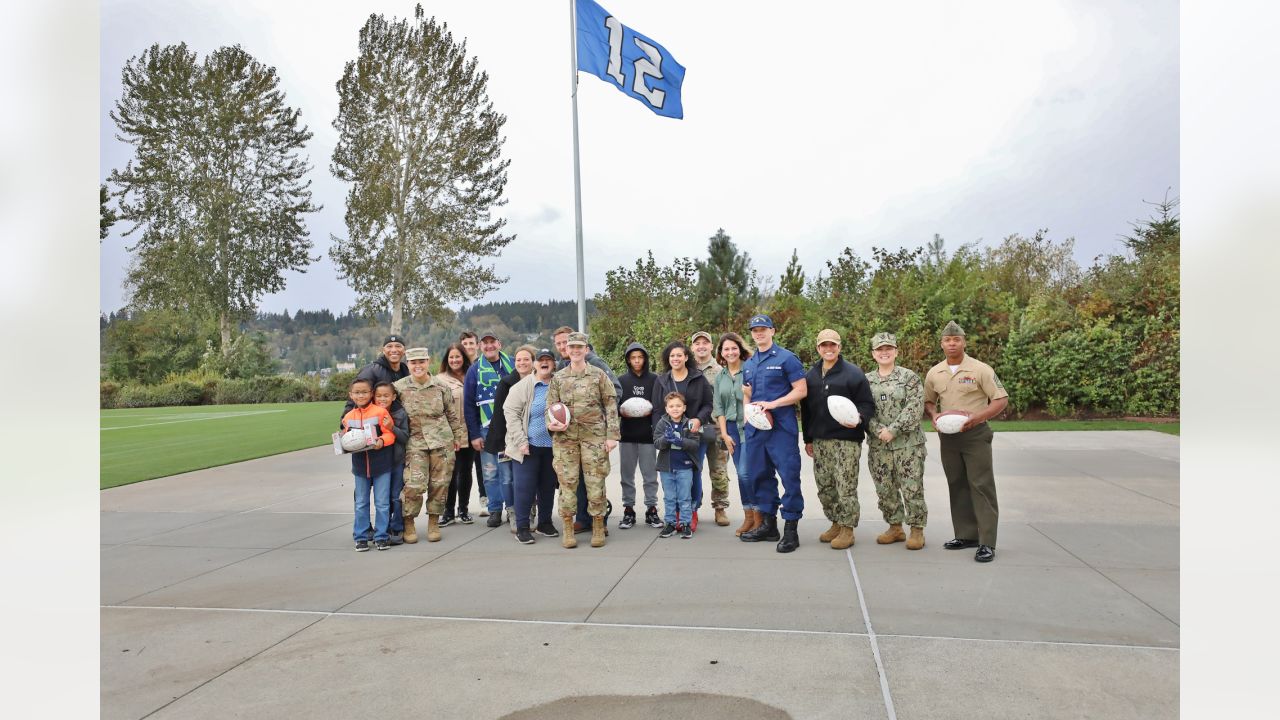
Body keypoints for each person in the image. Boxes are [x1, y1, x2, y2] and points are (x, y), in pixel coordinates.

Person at [923, 321, 1010, 563]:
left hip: (975, 435)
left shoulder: (980, 369)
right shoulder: (935, 372)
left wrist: (976, 418)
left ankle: (987, 542)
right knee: (957, 484)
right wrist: (934, 415)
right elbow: (929, 401)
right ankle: (966, 535)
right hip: (948, 436)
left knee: (981, 485)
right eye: (947, 340)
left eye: (956, 340)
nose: (952, 344)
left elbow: (1000, 400)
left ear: (964, 342)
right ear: (941, 344)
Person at [800, 329, 877, 550]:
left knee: (846, 487)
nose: (829, 349)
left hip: (846, 440)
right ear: (818, 348)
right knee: (825, 486)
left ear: (839, 347)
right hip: (820, 440)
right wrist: (808, 438)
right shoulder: (811, 375)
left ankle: (847, 529)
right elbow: (806, 410)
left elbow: (867, 404)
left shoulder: (853, 374)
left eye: (833, 345)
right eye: (824, 345)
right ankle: (835, 522)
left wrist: (859, 419)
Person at [739, 314, 808, 553]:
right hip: (757, 430)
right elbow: (748, 397)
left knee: (789, 476)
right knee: (759, 475)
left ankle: (791, 530)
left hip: (781, 428)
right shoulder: (748, 364)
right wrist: (747, 404)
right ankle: (769, 526)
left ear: (773, 331)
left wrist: (776, 404)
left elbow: (801, 390)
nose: (759, 333)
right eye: (755, 330)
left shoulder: (787, 359)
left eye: (763, 329)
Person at [546, 331, 621, 548]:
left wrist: (612, 435)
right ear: (567, 351)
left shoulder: (598, 375)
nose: (576, 351)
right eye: (572, 347)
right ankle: (568, 528)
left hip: (594, 438)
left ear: (586, 349)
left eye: (580, 347)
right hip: (565, 440)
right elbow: (550, 406)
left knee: (595, 482)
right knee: (567, 484)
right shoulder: (558, 378)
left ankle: (598, 526)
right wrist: (550, 424)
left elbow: (610, 404)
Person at [395, 347, 467, 543]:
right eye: (413, 362)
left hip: (441, 441)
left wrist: (457, 437)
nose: (417, 366)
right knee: (414, 484)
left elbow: (451, 413)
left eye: (421, 361)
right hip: (414, 442)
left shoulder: (441, 386)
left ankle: (434, 521)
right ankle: (409, 522)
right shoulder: (399, 388)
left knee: (440, 484)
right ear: (407, 364)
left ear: (428, 362)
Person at [866, 332, 929, 550]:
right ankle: (895, 527)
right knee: (885, 489)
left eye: (888, 349)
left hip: (908, 445)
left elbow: (915, 406)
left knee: (912, 487)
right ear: (873, 354)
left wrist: (893, 430)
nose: (884, 353)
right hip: (878, 445)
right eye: (880, 350)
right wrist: (877, 430)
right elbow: (863, 410)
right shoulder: (866, 380)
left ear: (896, 352)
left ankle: (917, 529)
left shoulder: (909, 377)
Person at [649, 341, 713, 531]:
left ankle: (692, 511)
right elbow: (657, 409)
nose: (675, 358)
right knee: (671, 474)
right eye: (672, 356)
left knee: (693, 473)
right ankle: (675, 514)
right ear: (668, 359)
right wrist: (659, 433)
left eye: (679, 355)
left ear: (686, 357)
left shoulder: (698, 378)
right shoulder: (661, 380)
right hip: (669, 436)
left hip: (692, 435)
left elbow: (708, 405)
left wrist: (699, 420)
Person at [504, 348, 563, 544]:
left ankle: (545, 522)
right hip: (527, 446)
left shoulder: (559, 383)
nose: (544, 363)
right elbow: (510, 414)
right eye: (540, 360)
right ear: (535, 364)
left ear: (554, 363)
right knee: (524, 488)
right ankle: (522, 527)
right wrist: (521, 441)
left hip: (552, 446)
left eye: (548, 360)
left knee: (547, 487)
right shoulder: (522, 386)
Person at [464, 331, 516, 527]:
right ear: (479, 347)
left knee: (508, 472)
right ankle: (495, 509)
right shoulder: (474, 370)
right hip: (486, 429)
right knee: (490, 471)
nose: (489, 346)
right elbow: (469, 405)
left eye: (492, 342)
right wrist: (474, 434)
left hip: (510, 428)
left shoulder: (512, 364)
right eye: (484, 343)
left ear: (499, 344)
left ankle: (511, 508)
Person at [339, 377, 396, 551]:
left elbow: (390, 434)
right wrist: (341, 440)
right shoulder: (348, 417)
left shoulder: (380, 412)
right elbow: (346, 438)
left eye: (364, 392)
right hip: (360, 468)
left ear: (371, 394)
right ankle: (361, 536)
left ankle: (381, 536)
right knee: (361, 502)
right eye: (357, 392)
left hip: (381, 466)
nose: (361, 395)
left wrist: (381, 441)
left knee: (382, 502)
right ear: (351, 395)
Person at [486, 344, 537, 533]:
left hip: (532, 439)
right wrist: (501, 444)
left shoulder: (539, 382)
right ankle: (513, 512)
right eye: (518, 359)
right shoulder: (506, 383)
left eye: (526, 359)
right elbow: (499, 415)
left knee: (528, 479)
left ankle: (530, 510)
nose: (522, 362)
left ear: (533, 362)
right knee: (507, 478)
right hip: (507, 439)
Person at [712, 332, 754, 536]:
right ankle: (749, 516)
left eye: (733, 348)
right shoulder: (720, 376)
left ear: (740, 349)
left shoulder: (750, 369)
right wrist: (724, 435)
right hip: (730, 430)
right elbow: (718, 407)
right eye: (726, 349)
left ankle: (758, 516)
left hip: (749, 427)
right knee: (741, 474)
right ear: (721, 352)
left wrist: (749, 394)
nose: (730, 352)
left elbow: (758, 397)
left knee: (747, 472)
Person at [689, 331, 732, 526]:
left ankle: (720, 507)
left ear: (711, 346)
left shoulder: (722, 370)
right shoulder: (687, 369)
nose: (701, 346)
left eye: (705, 343)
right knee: (692, 471)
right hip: (694, 428)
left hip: (717, 427)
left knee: (719, 470)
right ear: (692, 348)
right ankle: (693, 507)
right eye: (697, 343)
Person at [617, 342, 660, 529]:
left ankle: (651, 509)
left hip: (648, 436)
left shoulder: (655, 380)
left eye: (640, 357)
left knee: (650, 476)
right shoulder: (621, 381)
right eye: (633, 358)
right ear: (628, 360)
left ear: (645, 359)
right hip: (627, 435)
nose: (637, 361)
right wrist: (621, 412)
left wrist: (655, 425)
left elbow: (659, 406)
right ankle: (628, 510)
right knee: (627, 476)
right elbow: (614, 406)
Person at [436, 343, 475, 526]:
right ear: (446, 359)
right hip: (450, 434)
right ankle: (448, 511)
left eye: (458, 356)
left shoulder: (473, 374)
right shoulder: (440, 379)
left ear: (464, 357)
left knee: (466, 471)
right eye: (451, 357)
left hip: (470, 432)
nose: (454, 360)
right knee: (450, 473)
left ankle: (464, 509)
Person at [653, 392, 701, 539]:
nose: (675, 409)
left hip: (685, 467)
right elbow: (657, 442)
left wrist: (681, 442)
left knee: (684, 497)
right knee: (669, 497)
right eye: (671, 406)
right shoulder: (662, 423)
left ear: (684, 407)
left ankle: (686, 523)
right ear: (666, 409)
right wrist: (666, 440)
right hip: (666, 468)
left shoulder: (689, 424)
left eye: (678, 406)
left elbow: (695, 444)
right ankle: (671, 524)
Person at [374, 381, 409, 545]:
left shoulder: (399, 413)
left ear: (394, 396)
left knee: (396, 496)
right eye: (379, 396)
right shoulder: (371, 413)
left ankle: (397, 526)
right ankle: (383, 526)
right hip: (380, 462)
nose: (382, 399)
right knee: (383, 497)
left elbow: (404, 437)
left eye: (386, 395)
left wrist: (392, 427)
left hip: (396, 461)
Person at [342, 334, 410, 416]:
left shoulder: (407, 371)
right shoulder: (371, 371)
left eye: (398, 346)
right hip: (377, 422)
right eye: (389, 346)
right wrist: (346, 424)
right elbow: (356, 396)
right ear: (383, 350)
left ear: (404, 350)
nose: (394, 350)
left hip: (400, 422)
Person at [458, 330, 486, 512]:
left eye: (471, 343)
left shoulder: (482, 366)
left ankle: (485, 498)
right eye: (465, 344)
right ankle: (463, 507)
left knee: (483, 465)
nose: (468, 347)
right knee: (463, 468)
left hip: (480, 422)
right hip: (461, 426)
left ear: (477, 345)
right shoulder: (456, 365)